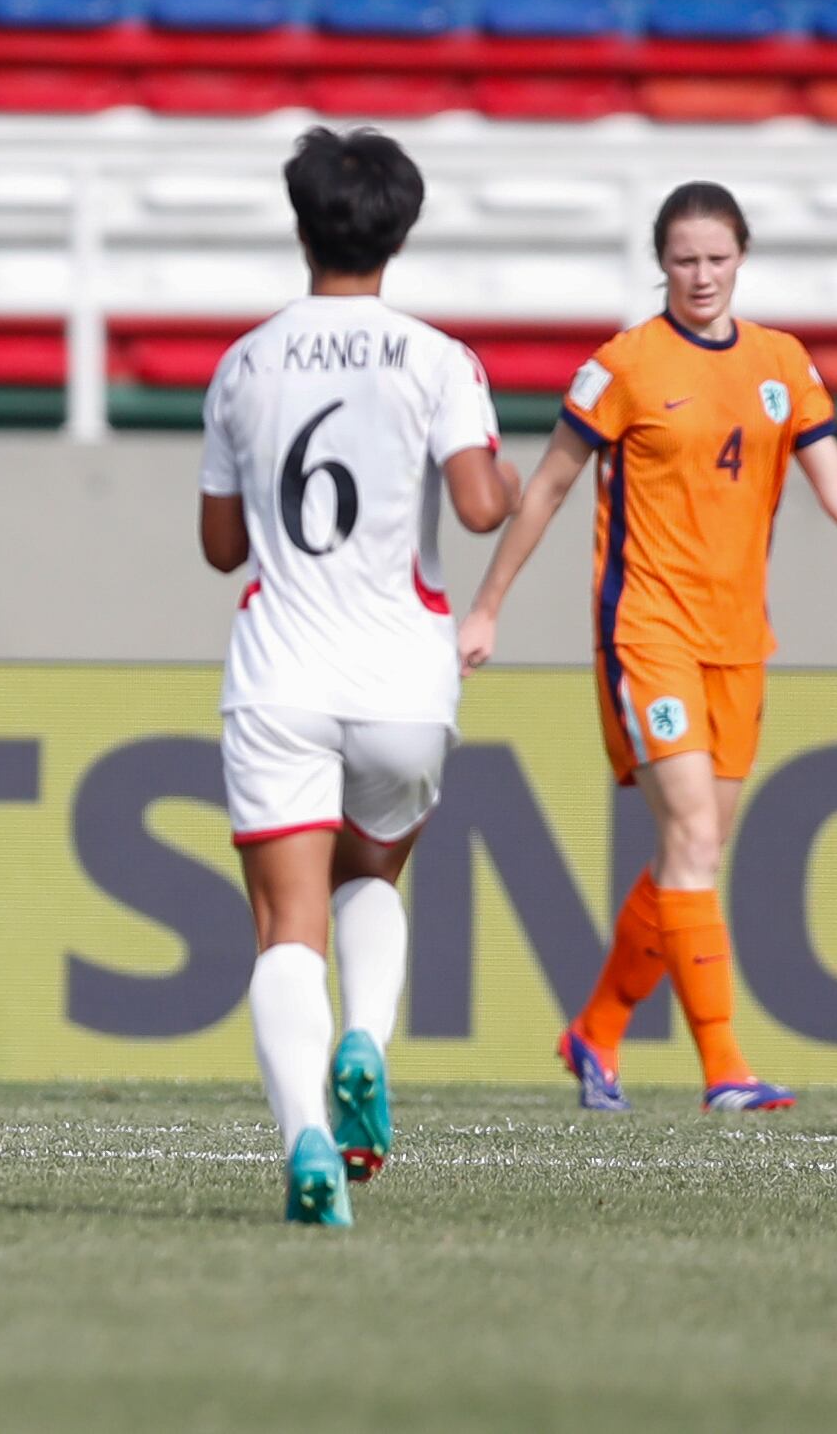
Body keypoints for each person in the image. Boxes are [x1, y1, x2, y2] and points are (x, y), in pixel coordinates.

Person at [460, 181, 837, 1115]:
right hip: (645, 631)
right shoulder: (623, 365)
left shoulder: (781, 362)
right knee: (692, 838)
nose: (700, 276)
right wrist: (485, 607)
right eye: (683, 259)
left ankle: (595, 1032)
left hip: (736, 640)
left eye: (715, 258)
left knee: (690, 853)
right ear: (659, 263)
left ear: (742, 257)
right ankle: (724, 1071)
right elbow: (544, 490)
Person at [197, 127, 519, 1226]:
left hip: (282, 667)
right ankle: (367, 1041)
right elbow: (480, 505)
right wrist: (510, 471)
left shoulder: (246, 360)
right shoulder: (438, 357)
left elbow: (221, 545)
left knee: (287, 928)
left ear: (303, 225)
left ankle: (307, 1147)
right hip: (403, 678)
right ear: (401, 227)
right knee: (370, 872)